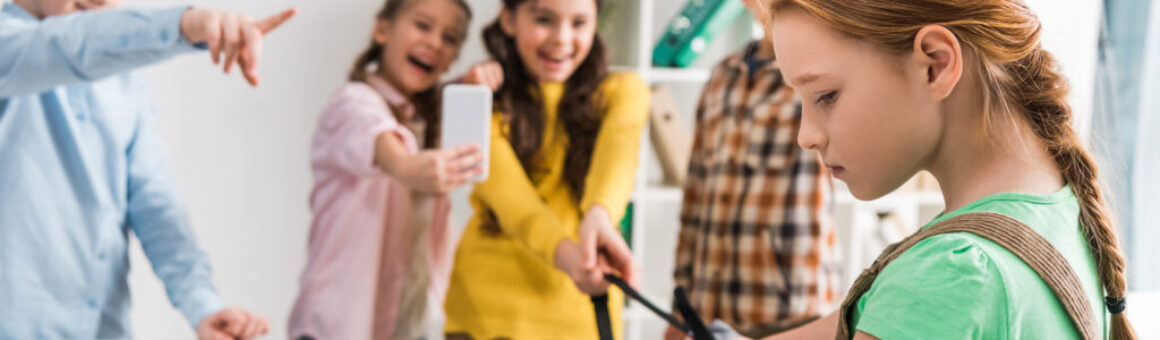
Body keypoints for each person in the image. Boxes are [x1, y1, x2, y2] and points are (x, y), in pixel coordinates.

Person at [752, 0, 1139, 339]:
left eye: (825, 96)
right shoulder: (1050, 207)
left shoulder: (950, 275)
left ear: (935, 65)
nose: (806, 136)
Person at [0, 0, 295, 339]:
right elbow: (69, 43)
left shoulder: (124, 82)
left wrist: (204, 307)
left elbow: (154, 204)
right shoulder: (8, 46)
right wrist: (189, 25)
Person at [441, 0, 646, 338]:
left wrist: (600, 215)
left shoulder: (625, 91)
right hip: (486, 318)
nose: (562, 39)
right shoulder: (482, 96)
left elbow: (617, 156)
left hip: (580, 319)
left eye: (579, 23)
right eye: (544, 19)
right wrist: (571, 258)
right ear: (508, 18)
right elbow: (513, 203)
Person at [286, 0, 483, 339]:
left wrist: (481, 80)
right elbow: (377, 138)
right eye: (423, 25)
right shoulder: (350, 103)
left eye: (450, 38)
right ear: (382, 30)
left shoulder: (431, 119)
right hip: (337, 329)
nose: (435, 43)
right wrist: (405, 166)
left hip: (408, 325)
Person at [667, 0, 840, 338]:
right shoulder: (721, 76)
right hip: (709, 306)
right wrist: (681, 302)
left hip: (792, 307)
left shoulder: (822, 75)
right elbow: (694, 198)